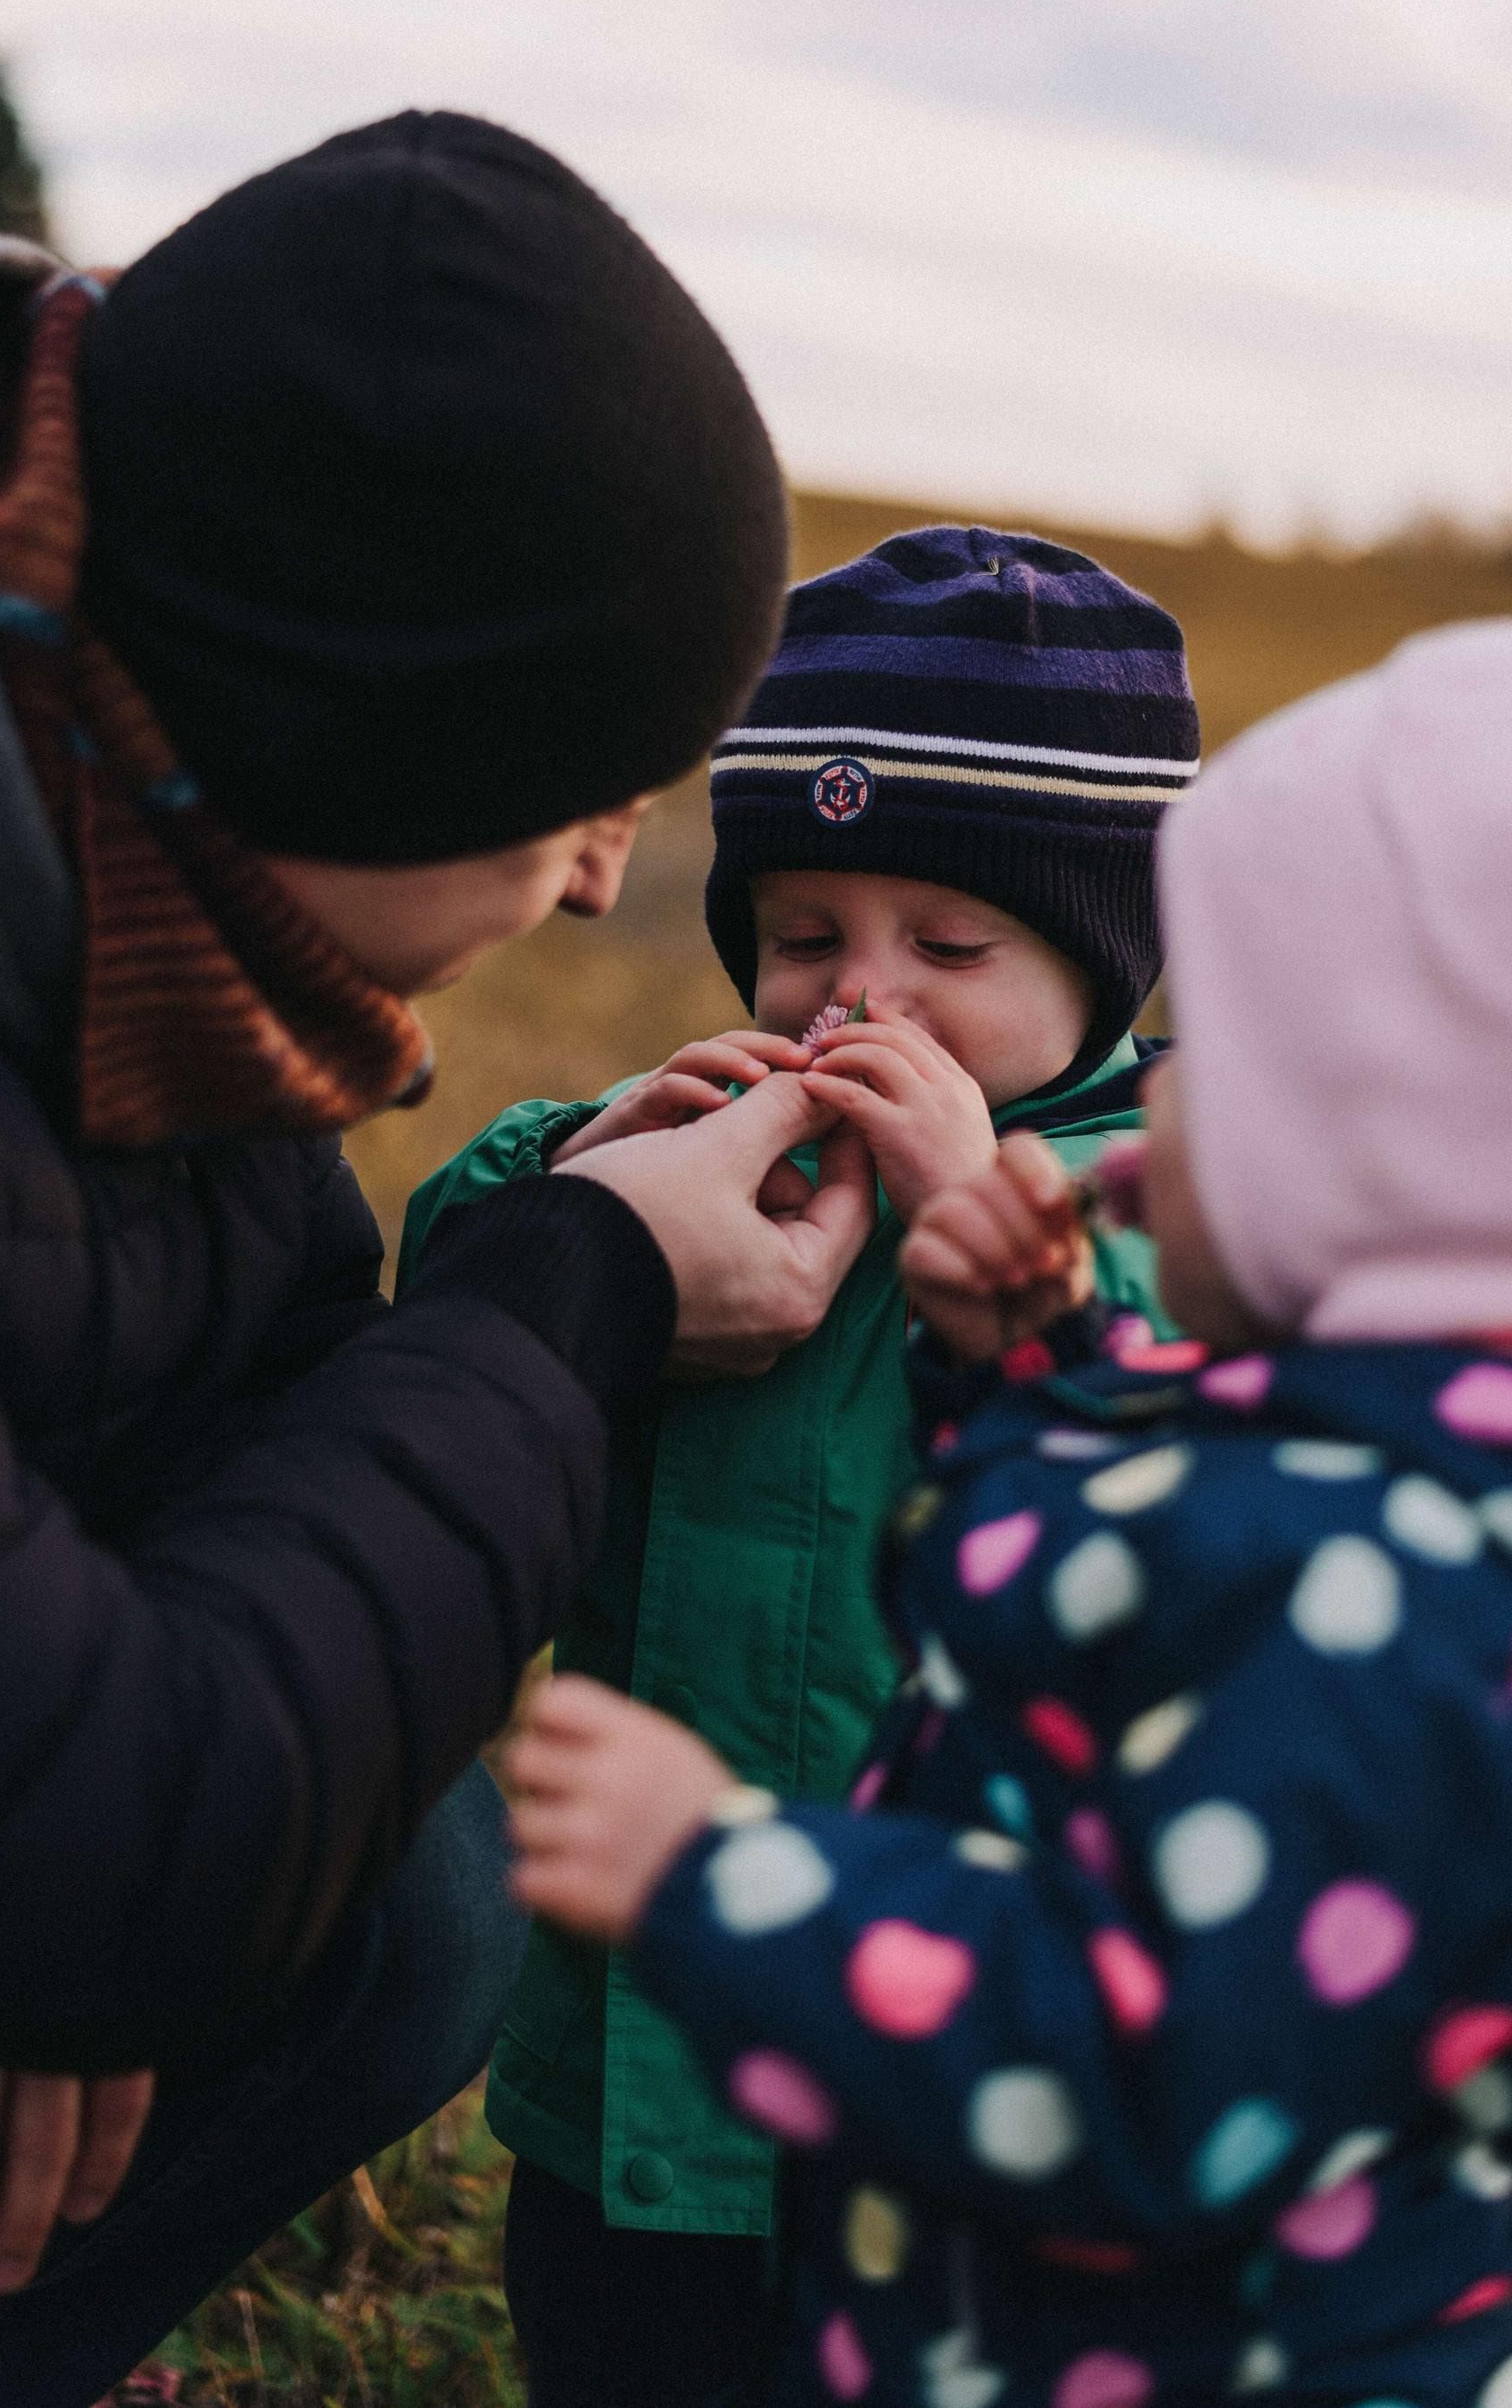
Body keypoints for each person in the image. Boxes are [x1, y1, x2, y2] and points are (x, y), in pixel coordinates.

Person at [0, 110, 877, 2406]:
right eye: (579, 791)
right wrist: (581, 1287)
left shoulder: (83, 803)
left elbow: (240, 1397)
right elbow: (111, 1843)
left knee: (392, 1898)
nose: (609, 884)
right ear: (353, 747)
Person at [509, 613, 1512, 2408]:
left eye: (1214, 1081)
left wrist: (726, 1876)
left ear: (1413, 1163)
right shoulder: (1441, 1497)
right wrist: (1043, 1366)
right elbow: (1162, 1585)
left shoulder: (1408, 1614)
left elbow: (1152, 2074)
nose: (1138, 1126)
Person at [404, 524, 1199, 2406]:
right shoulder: (685, 1148)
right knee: (615, 2348)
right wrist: (573, 1196)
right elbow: (444, 1326)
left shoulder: (1163, 1209)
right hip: (627, 2059)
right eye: (804, 930)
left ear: (1103, 964)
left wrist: (995, 1232)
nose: (865, 997)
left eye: (949, 945)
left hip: (950, 2077)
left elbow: (1176, 1476)